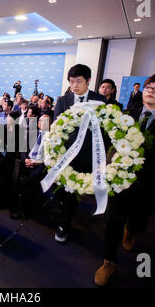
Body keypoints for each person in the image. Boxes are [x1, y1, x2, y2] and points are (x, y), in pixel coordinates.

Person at [94, 72, 155, 286]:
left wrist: (139, 151)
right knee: (112, 221)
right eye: (148, 87)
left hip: (149, 183)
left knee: (138, 219)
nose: (150, 91)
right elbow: (112, 140)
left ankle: (132, 231)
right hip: (119, 180)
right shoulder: (128, 113)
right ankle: (109, 261)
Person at [52, 64, 106, 244]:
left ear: (88, 81)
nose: (74, 85)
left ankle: (64, 224)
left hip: (86, 156)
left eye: (79, 81)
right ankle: (64, 209)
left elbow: (105, 131)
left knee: (73, 192)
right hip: (65, 154)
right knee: (62, 190)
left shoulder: (100, 100)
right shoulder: (63, 100)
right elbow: (56, 129)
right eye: (71, 81)